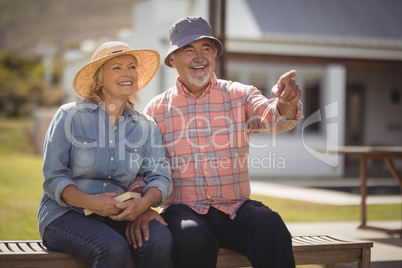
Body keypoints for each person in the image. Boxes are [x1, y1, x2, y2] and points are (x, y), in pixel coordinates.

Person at [129, 17, 303, 268]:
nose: (199, 57)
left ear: (214, 56)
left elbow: (271, 118)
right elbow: (141, 169)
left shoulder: (240, 95)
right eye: (189, 50)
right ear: (173, 60)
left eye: (206, 49)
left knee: (269, 224)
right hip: (184, 210)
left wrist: (285, 105)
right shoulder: (156, 110)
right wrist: (142, 205)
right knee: (190, 238)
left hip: (236, 208)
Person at [37, 41, 174, 268]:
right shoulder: (70, 116)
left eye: (132, 67)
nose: (127, 73)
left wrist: (144, 204)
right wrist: (90, 201)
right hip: (65, 214)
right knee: (112, 247)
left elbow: (160, 176)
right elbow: (54, 177)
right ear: (99, 78)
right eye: (117, 67)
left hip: (119, 215)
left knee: (159, 240)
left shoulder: (146, 126)